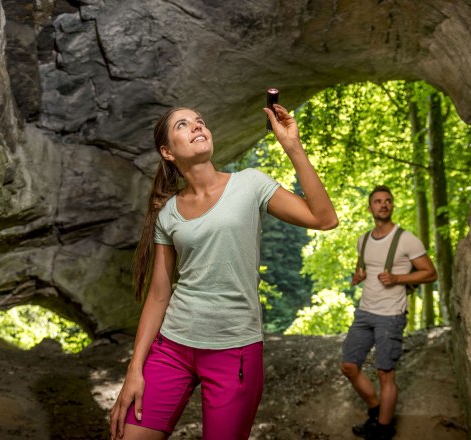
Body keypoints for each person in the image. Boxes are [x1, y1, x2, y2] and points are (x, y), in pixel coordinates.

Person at [109, 103, 338, 440]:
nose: (197, 126)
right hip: (172, 348)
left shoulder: (251, 184)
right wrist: (134, 369)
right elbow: (159, 295)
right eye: (183, 125)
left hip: (235, 352)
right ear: (167, 152)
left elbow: (324, 219)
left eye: (200, 120)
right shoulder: (167, 213)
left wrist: (292, 146)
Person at [340, 185, 437, 440]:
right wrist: (358, 276)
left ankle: (383, 429)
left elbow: (430, 272)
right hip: (365, 312)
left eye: (388, 201)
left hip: (391, 314)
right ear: (370, 207)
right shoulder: (363, 239)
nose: (383, 205)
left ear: (392, 206)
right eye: (378, 201)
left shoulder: (406, 239)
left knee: (385, 373)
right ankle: (376, 410)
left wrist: (397, 278)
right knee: (349, 366)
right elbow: (362, 269)